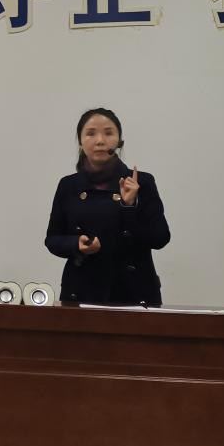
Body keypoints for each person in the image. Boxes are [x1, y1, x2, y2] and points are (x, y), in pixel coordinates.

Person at [44, 108, 170, 306]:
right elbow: (52, 239)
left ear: (119, 141)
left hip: (134, 293)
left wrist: (129, 206)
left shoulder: (141, 182)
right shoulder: (68, 185)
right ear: (80, 141)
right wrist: (76, 244)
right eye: (91, 133)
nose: (100, 140)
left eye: (109, 133)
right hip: (81, 290)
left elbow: (160, 238)